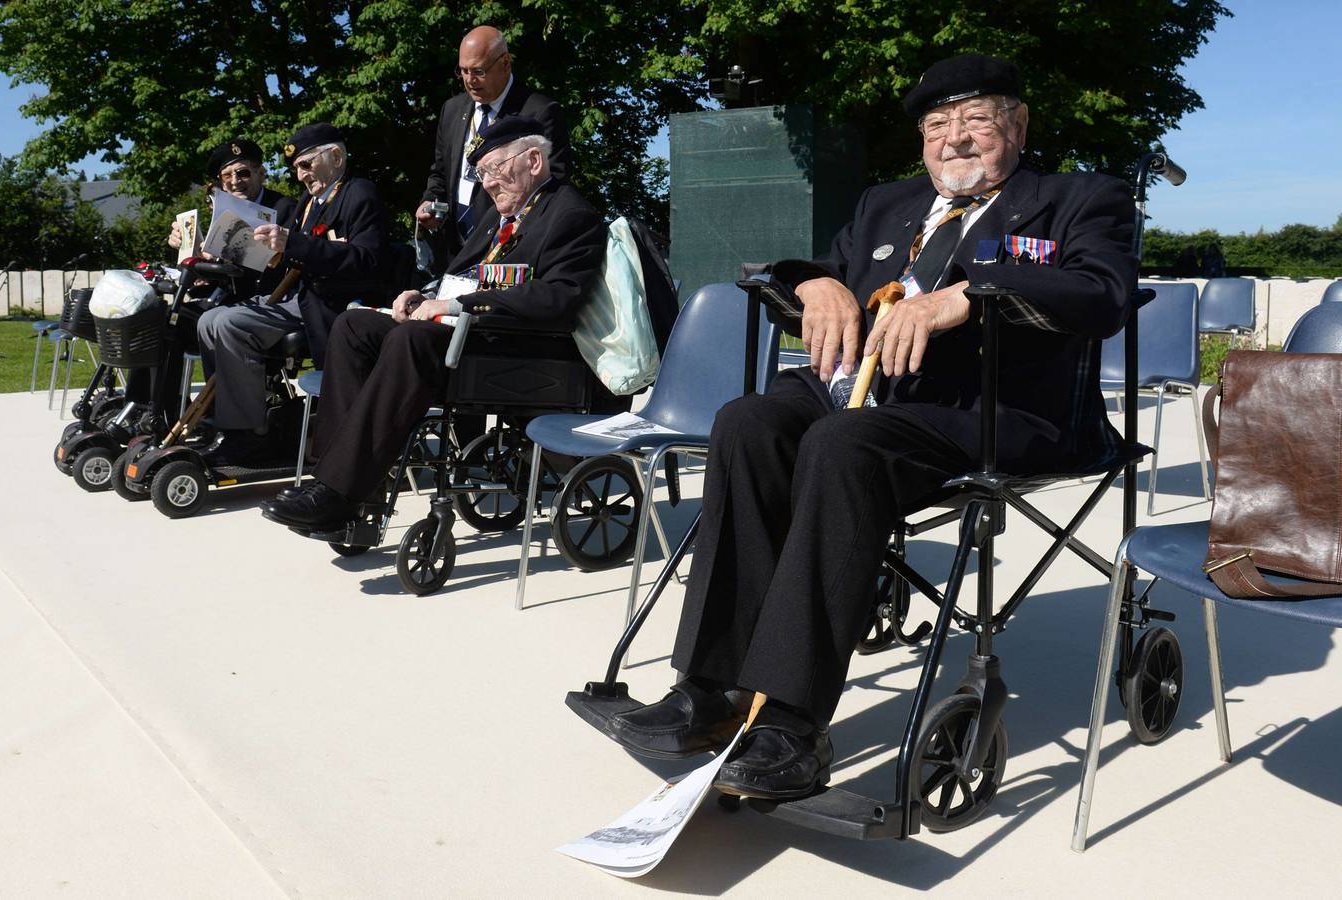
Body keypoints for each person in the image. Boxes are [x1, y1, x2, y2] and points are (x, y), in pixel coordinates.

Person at [605, 53, 1139, 801]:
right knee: (748, 421)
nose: (954, 139)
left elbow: (1105, 292)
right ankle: (715, 687)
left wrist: (968, 293)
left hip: (994, 407)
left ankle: (790, 724)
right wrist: (816, 280)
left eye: (976, 120)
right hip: (868, 394)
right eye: (937, 125)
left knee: (839, 443)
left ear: (1017, 127)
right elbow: (824, 270)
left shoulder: (1079, 199)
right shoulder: (888, 204)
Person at [261, 116, 605, 529]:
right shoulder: (498, 218)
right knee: (354, 328)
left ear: (533, 160)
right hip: (466, 339)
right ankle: (339, 481)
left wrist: (460, 306)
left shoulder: (570, 214)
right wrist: (424, 296)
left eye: (494, 170)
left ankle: (337, 492)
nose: (488, 184)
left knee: (414, 339)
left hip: (519, 350)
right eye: (481, 175)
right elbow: (460, 275)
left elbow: (557, 298)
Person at [196, 123, 390, 464]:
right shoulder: (310, 201)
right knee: (208, 320)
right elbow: (283, 259)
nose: (300, 175)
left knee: (229, 323)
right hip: (296, 297)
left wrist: (294, 243)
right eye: (296, 167)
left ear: (336, 156)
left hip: (329, 302)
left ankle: (250, 436)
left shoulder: (358, 193)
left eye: (306, 164)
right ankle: (227, 422)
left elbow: (369, 259)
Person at [416, 25, 574, 268]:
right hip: (452, 251)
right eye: (463, 71)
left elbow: (551, 187)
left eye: (478, 71)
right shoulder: (452, 109)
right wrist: (430, 202)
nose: (470, 81)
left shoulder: (540, 112)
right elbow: (441, 172)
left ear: (505, 62)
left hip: (505, 251)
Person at [167, 139, 298, 300]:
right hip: (229, 295)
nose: (235, 181)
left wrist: (217, 256)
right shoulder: (223, 210)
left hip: (270, 299)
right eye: (227, 175)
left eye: (243, 173)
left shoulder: (285, 208)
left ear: (261, 174)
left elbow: (281, 265)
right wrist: (183, 242)